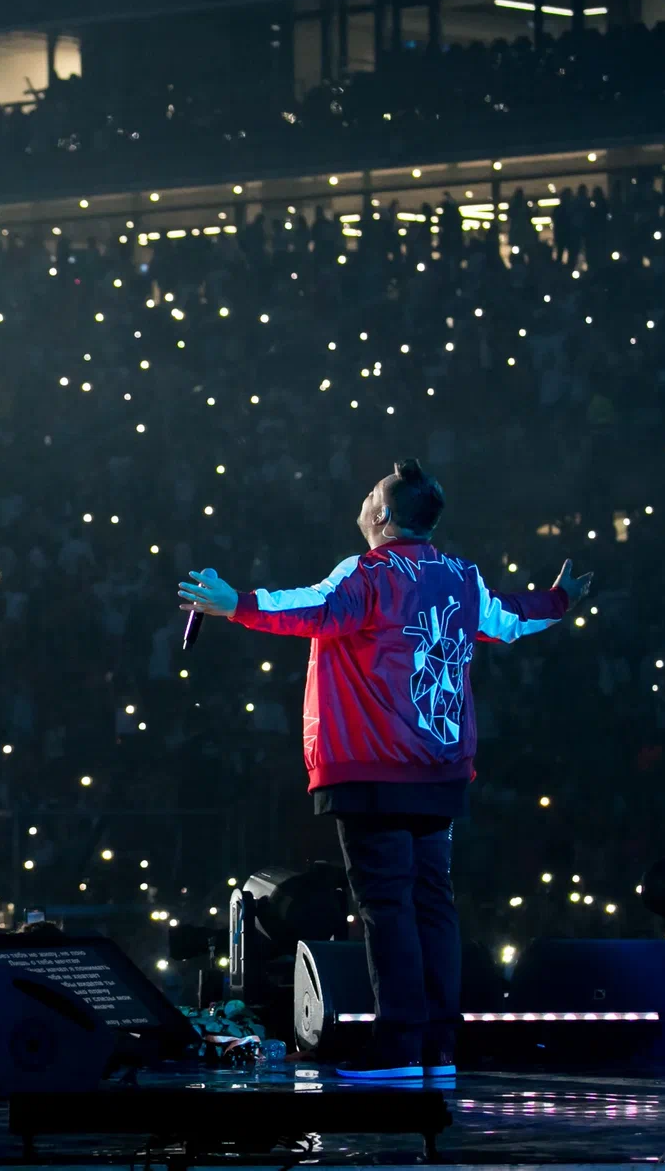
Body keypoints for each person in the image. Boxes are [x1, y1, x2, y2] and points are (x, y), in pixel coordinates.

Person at [175, 459, 592, 1079]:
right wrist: (559, 599)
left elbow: (311, 608)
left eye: (373, 491)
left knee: (388, 906)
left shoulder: (368, 573)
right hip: (441, 770)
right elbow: (509, 618)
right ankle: (438, 1049)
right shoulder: (460, 576)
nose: (365, 495)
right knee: (431, 904)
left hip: (373, 769)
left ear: (384, 515)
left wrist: (236, 604)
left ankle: (397, 1049)